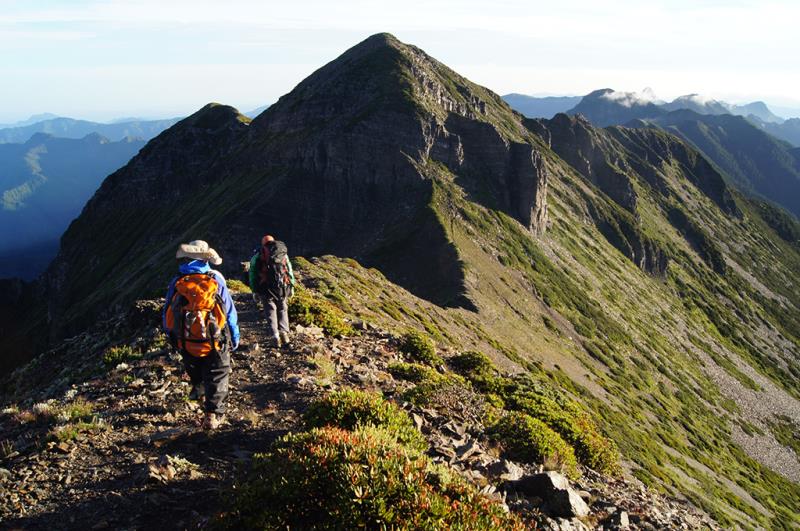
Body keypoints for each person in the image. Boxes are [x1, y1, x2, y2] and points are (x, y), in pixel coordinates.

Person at [162, 240, 240, 430]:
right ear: (206, 258)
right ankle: (212, 415)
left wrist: (173, 337)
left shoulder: (178, 280)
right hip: (215, 339)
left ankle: (200, 392)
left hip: (186, 339)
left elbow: (167, 312)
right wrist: (234, 337)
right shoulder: (216, 278)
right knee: (218, 373)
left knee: (196, 370)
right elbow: (229, 311)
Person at [249, 235, 295, 348]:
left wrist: (254, 291)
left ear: (263, 244)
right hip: (282, 287)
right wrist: (292, 287)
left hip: (266, 288)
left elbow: (253, 274)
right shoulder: (283, 254)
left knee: (270, 311)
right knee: (283, 309)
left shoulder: (258, 256)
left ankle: (275, 337)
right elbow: (289, 270)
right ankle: (284, 333)